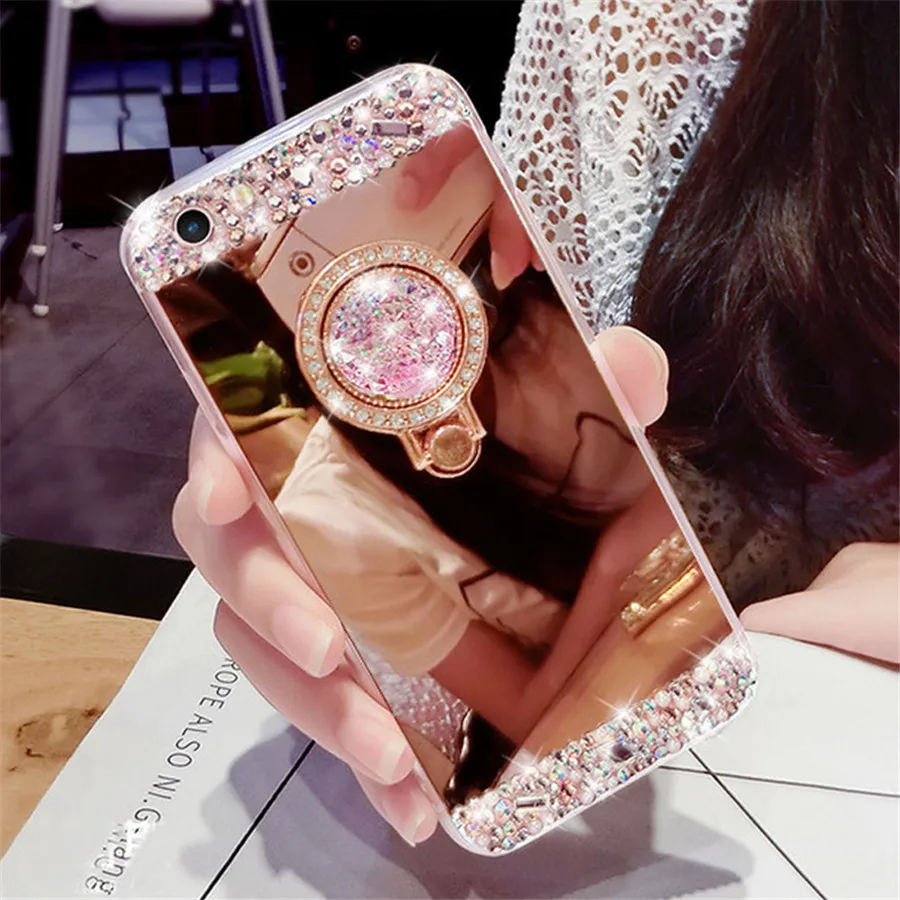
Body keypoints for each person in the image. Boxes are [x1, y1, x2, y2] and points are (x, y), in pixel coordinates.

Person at [173, 0, 898, 846]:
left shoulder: (533, 321)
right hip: (665, 730)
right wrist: (620, 559)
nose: (393, 330)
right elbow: (526, 714)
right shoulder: (616, 41)